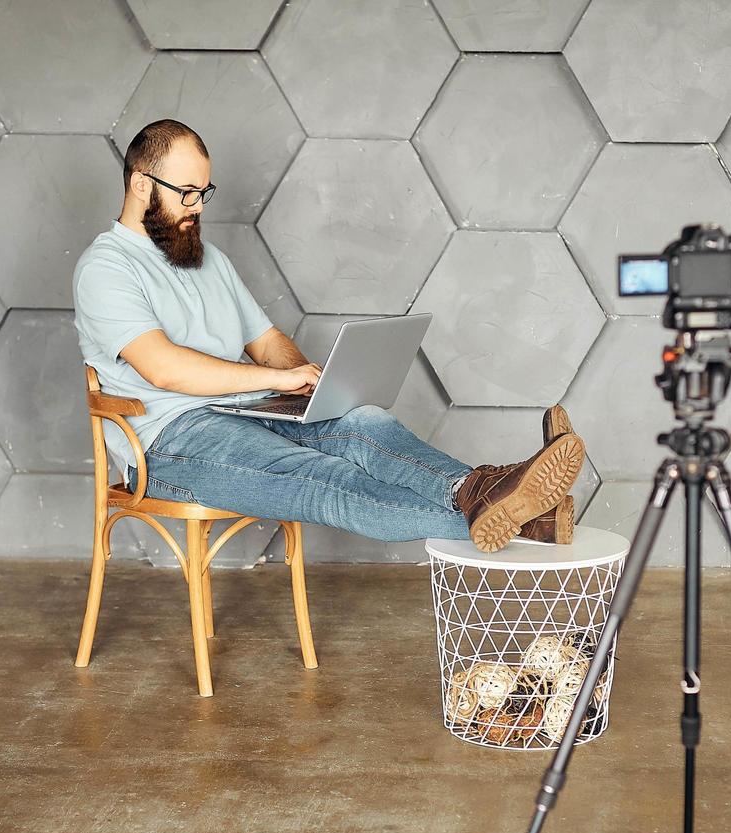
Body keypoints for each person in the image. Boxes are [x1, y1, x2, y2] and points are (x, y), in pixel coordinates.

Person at [73, 119, 584, 552]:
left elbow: (269, 341)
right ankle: (526, 519)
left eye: (204, 193)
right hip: (170, 444)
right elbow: (163, 368)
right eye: (186, 193)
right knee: (327, 481)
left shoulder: (211, 261)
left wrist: (302, 381)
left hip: (250, 410)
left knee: (363, 420)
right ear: (141, 184)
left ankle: (482, 489)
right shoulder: (107, 267)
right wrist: (276, 378)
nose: (198, 206)